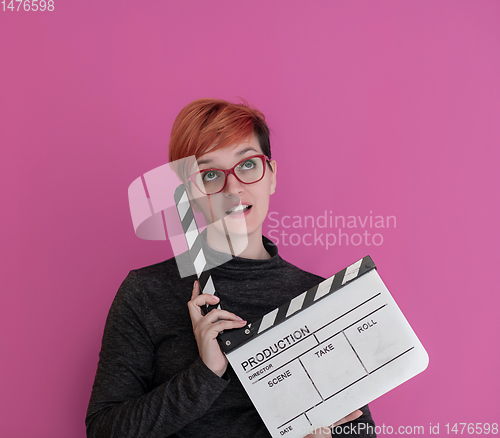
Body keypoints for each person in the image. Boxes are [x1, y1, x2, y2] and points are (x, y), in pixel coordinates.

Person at [86, 98, 377, 437]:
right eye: (210, 175)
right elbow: (104, 430)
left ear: (271, 176)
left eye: (248, 165)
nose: (233, 187)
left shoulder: (319, 296)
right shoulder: (146, 292)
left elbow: (358, 427)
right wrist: (206, 373)